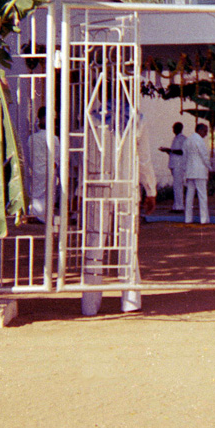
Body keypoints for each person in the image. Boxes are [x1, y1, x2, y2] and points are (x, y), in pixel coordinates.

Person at [82, 112, 156, 316]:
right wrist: (150, 190)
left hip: (98, 184)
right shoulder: (136, 118)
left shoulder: (93, 116)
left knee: (94, 241)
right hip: (126, 185)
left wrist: (80, 188)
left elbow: (83, 155)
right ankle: (131, 300)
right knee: (128, 242)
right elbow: (144, 159)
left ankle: (89, 304)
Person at [26, 106, 59, 223]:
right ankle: (44, 217)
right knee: (48, 194)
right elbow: (57, 157)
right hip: (48, 170)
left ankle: (34, 215)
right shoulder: (53, 139)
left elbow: (29, 157)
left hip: (36, 170)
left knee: (36, 193)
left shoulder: (32, 138)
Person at [183, 123, 213, 224]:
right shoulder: (199, 140)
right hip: (200, 171)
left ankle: (188, 218)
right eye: (205, 131)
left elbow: (185, 157)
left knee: (189, 196)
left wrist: (185, 171)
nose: (206, 133)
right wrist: (210, 168)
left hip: (190, 171)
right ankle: (204, 219)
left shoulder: (188, 140)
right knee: (202, 196)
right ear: (200, 130)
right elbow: (204, 156)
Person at [159, 122, 186, 212]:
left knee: (178, 186)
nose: (173, 129)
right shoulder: (175, 138)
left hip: (179, 165)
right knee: (176, 186)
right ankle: (176, 205)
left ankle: (179, 206)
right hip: (174, 164)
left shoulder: (182, 139)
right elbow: (174, 152)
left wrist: (170, 150)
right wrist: (167, 150)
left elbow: (182, 152)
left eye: (174, 128)